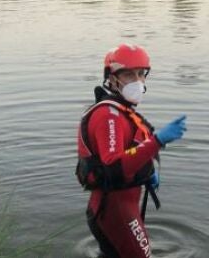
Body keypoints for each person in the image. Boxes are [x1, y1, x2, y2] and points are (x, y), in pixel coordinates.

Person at [77, 44, 188, 258]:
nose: (137, 81)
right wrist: (157, 141)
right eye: (128, 75)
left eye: (140, 74)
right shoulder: (108, 115)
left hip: (120, 208)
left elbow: (129, 152)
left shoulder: (121, 111)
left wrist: (146, 172)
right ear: (111, 79)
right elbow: (113, 165)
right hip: (114, 210)